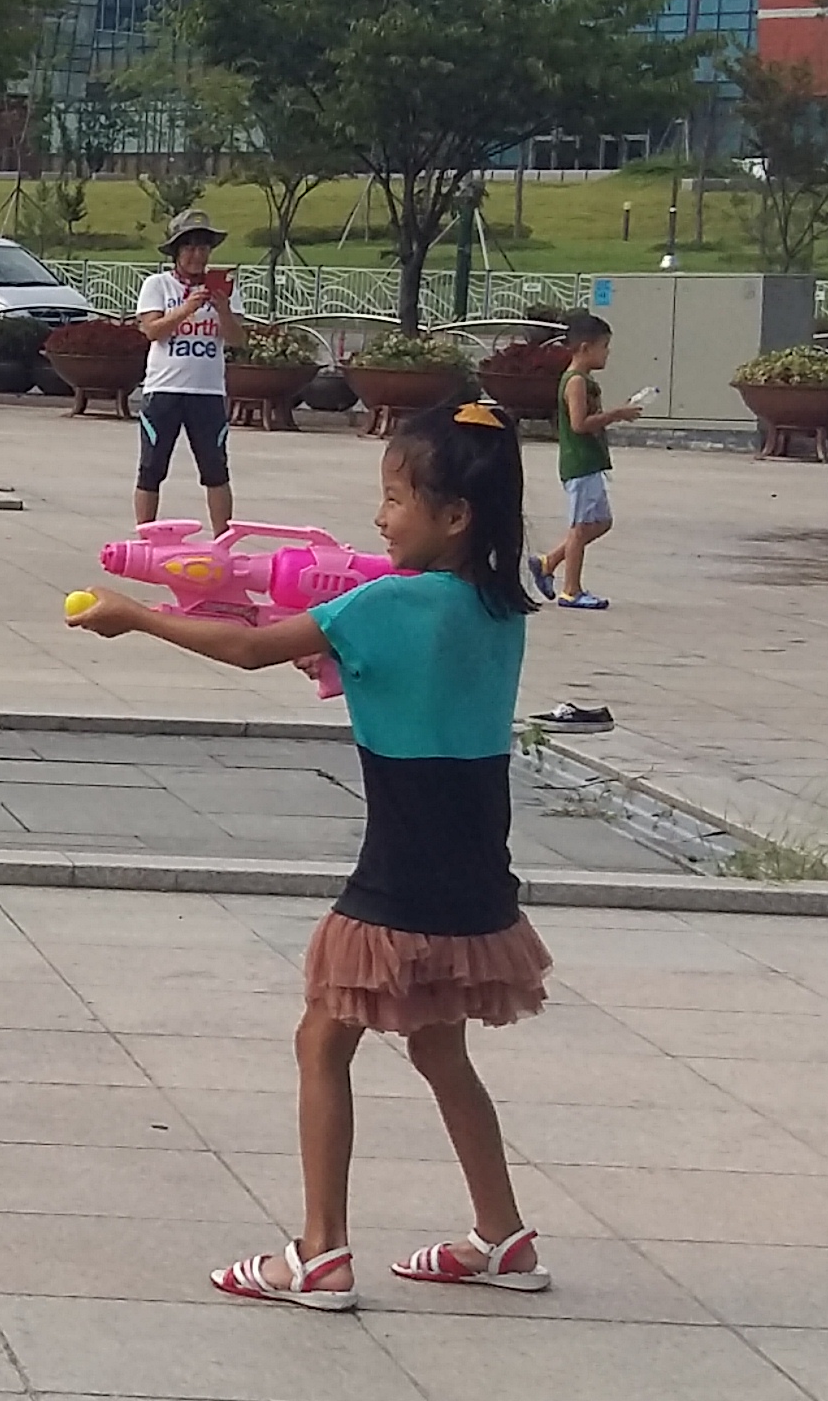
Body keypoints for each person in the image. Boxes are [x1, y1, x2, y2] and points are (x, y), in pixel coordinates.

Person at [70, 402, 556, 1311]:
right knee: (439, 1047)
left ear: (455, 515)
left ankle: (319, 1252)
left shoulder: (387, 601)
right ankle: (503, 1235)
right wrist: (341, 656)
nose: (380, 517)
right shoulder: (500, 605)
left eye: (396, 499)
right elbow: (416, 674)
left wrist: (136, 615)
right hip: (477, 870)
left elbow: (250, 649)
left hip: (400, 872)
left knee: (322, 1039)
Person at [530, 309, 646, 612]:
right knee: (580, 527)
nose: (607, 353)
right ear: (585, 347)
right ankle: (571, 589)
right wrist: (616, 414)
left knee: (601, 522)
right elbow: (579, 424)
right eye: (603, 346)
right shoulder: (576, 381)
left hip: (590, 462)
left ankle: (548, 562)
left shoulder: (584, 380)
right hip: (579, 463)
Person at [132, 207, 237, 530]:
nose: (197, 255)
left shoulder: (224, 288)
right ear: (176, 252)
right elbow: (152, 330)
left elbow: (237, 338)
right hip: (164, 389)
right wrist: (186, 308)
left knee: (215, 469)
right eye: (189, 247)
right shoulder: (158, 285)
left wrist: (223, 308)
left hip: (207, 391)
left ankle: (222, 539)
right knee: (151, 467)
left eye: (203, 247)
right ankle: (146, 536)